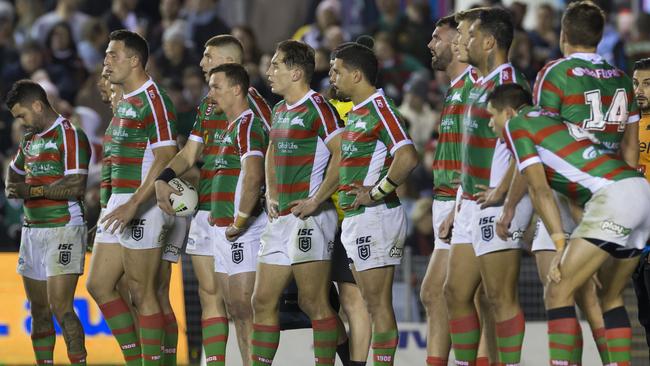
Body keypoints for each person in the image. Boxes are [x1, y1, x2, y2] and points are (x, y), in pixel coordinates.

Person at [487, 82, 650, 366]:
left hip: (612, 197)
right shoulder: (552, 120)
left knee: (558, 289)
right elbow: (576, 197)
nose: (490, 123)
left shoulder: (517, 126)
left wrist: (561, 245)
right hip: (639, 190)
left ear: (509, 112)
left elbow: (539, 191)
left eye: (492, 115)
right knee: (609, 296)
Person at [524, 2, 640, 362]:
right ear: (600, 35)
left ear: (563, 34)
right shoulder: (622, 77)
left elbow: (541, 140)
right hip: (619, 192)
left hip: (568, 194)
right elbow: (630, 147)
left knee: (559, 293)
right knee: (606, 297)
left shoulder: (554, 73)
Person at [154, 34, 272, 366]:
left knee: (242, 302)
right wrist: (165, 178)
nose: (202, 62)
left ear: (229, 62)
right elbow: (190, 153)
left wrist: (266, 196)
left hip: (241, 214)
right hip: (206, 208)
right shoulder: (208, 103)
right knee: (210, 296)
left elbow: (274, 147)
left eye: (208, 56)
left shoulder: (254, 104)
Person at [442, 7, 533, 366]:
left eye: (468, 35)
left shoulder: (509, 83)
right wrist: (457, 203)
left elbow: (528, 146)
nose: (460, 41)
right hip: (472, 201)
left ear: (490, 41)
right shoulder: (476, 84)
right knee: (455, 292)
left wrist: (505, 195)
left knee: (499, 296)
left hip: (497, 202)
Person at [86, 29, 178, 365]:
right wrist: (113, 205)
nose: (106, 62)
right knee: (98, 285)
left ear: (134, 60)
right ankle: (139, 359)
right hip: (120, 203)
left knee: (143, 293)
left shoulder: (153, 99)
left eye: (113, 55)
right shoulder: (126, 102)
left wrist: (134, 204)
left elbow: (168, 156)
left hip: (144, 204)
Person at [251, 39, 343, 366]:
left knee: (312, 301)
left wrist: (317, 199)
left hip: (310, 218)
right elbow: (272, 152)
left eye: (276, 65)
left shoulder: (318, 106)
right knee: (261, 300)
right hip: (281, 217)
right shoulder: (279, 110)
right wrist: (272, 192)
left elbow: (343, 153)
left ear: (295, 72)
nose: (269, 71)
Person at [331, 42, 418, 366]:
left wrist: (377, 191)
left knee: (378, 305)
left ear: (356, 74)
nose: (332, 76)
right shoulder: (357, 112)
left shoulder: (380, 107)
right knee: (371, 303)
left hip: (375, 216)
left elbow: (407, 156)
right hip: (359, 218)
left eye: (337, 70)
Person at [5, 79, 90, 365]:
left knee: (61, 308)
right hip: (32, 232)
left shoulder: (70, 135)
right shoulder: (30, 140)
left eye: (22, 115)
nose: (22, 122)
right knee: (39, 312)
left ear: (37, 105)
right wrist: (12, 186)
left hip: (63, 228)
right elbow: (12, 173)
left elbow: (76, 185)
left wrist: (32, 191)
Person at [419, 14, 478, 366]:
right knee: (440, 295)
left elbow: (481, 148)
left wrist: (458, 203)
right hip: (447, 201)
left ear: (458, 43)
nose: (431, 44)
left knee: (449, 293)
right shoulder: (455, 87)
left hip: (466, 201)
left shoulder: (474, 84)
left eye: (437, 38)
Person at [632, 57, 650, 358]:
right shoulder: (628, 126)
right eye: (635, 84)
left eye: (647, 84)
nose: (639, 90)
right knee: (646, 320)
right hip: (635, 236)